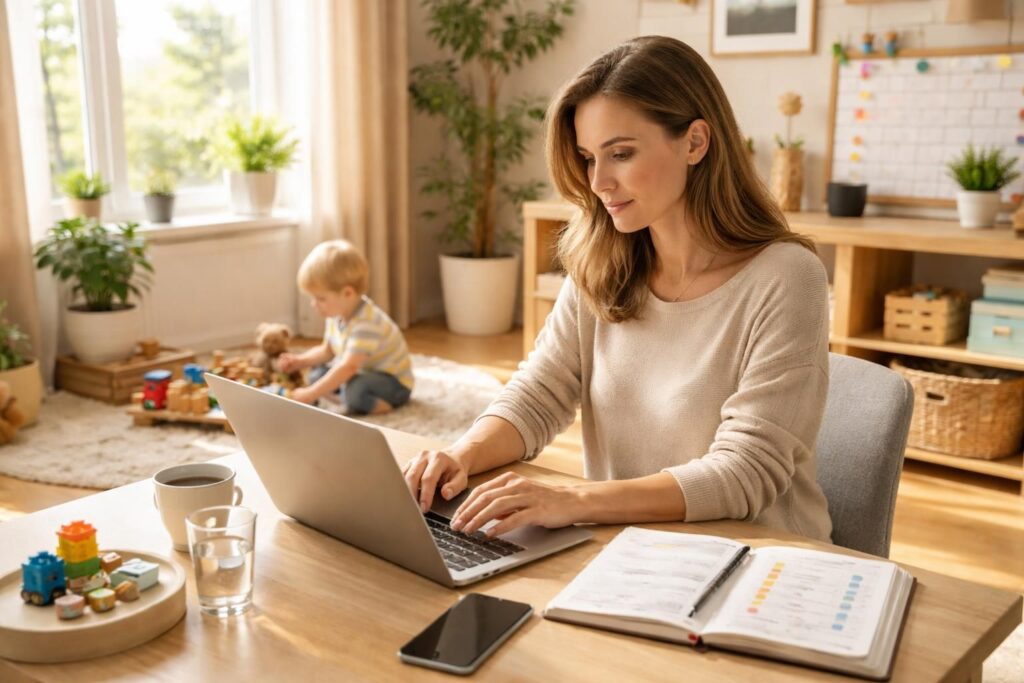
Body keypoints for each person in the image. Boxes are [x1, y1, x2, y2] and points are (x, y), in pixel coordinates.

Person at [402, 36, 833, 543]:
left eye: (621, 154)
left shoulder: (786, 276)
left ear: (695, 142)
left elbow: (745, 471)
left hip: (758, 561)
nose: (599, 181)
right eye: (588, 157)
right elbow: (541, 392)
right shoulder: (601, 260)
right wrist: (461, 453)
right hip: (629, 547)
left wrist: (574, 501)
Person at [278, 240, 414, 415]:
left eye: (321, 299)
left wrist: (311, 393)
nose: (314, 305)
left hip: (393, 382)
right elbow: (327, 351)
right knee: (316, 374)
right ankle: (344, 393)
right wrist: (300, 361)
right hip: (362, 372)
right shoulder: (337, 315)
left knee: (355, 392)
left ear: (347, 293)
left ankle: (383, 404)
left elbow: (348, 367)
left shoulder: (367, 324)